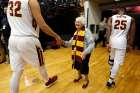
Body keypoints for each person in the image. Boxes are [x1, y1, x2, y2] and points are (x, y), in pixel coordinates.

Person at [6, 0, 63, 93]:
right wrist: (56, 36)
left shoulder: (11, 1)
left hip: (13, 39)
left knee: (17, 72)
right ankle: (47, 81)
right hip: (28, 38)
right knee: (41, 64)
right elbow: (43, 25)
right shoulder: (32, 1)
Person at [106, 7, 136, 88]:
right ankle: (110, 81)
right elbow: (132, 33)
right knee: (117, 62)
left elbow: (108, 29)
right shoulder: (131, 19)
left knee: (112, 59)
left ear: (117, 11)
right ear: (125, 12)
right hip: (122, 42)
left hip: (112, 41)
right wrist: (130, 45)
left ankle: (111, 74)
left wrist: (108, 42)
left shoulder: (111, 18)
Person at [64, 16, 94, 89]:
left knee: (84, 67)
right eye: (76, 22)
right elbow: (70, 42)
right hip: (76, 53)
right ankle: (79, 76)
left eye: (78, 22)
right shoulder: (76, 32)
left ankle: (86, 80)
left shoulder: (87, 31)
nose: (76, 23)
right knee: (77, 65)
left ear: (83, 23)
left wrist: (85, 52)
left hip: (85, 53)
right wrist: (63, 42)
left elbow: (92, 44)